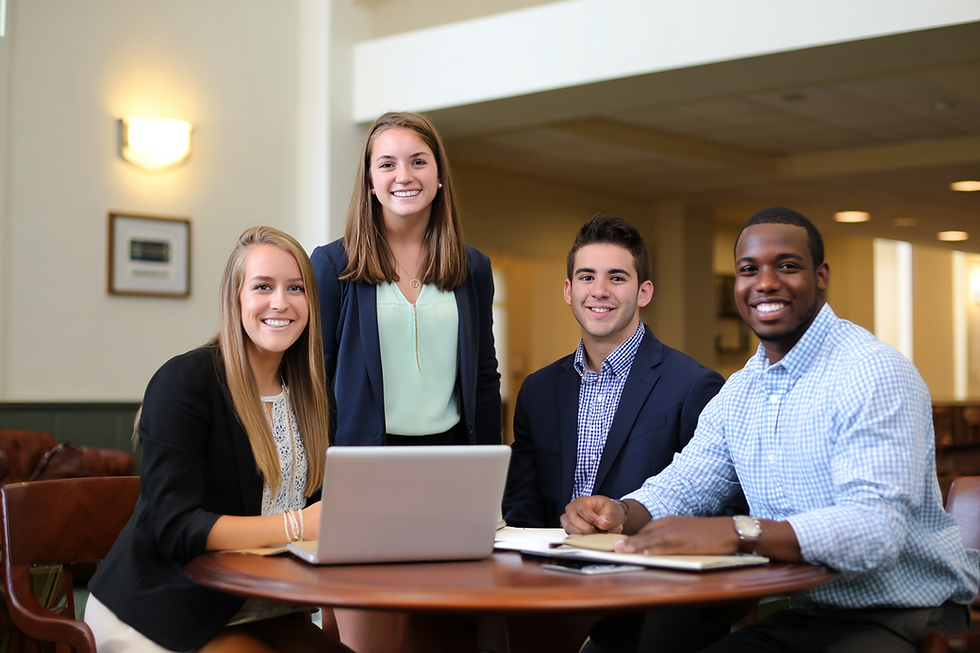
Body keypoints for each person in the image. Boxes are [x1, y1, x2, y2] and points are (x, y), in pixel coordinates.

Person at [563, 207, 980, 653]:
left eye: (786, 266)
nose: (764, 283)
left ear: (821, 276)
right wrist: (621, 513)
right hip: (805, 615)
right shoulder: (743, 388)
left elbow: (875, 529)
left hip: (908, 616)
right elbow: (687, 482)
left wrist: (737, 531)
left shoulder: (873, 372)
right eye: (748, 270)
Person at [85, 227, 351, 653]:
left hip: (262, 604)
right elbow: (175, 528)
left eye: (296, 287)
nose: (280, 302)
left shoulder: (315, 400)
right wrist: (297, 525)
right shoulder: (186, 381)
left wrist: (329, 615)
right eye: (263, 286)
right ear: (236, 298)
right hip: (163, 603)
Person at [503, 212, 741, 653]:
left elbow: (716, 502)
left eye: (617, 278)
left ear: (643, 291)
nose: (599, 291)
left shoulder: (694, 385)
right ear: (569, 291)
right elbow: (521, 506)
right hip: (553, 585)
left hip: (652, 594)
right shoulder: (538, 390)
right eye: (587, 277)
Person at [311, 111, 501, 447]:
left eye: (418, 162)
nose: (404, 176)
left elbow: (484, 378)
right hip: (362, 458)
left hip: (453, 455)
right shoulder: (332, 265)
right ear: (370, 181)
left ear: (439, 174)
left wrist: (490, 475)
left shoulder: (473, 267)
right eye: (387, 165)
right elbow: (313, 381)